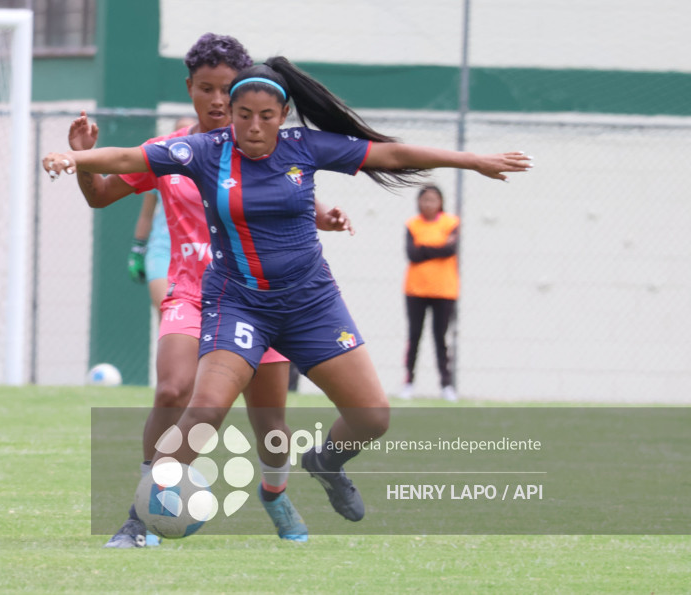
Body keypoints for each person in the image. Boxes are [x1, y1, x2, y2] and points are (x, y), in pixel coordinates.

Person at [44, 56, 532, 525]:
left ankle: (324, 462)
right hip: (239, 303)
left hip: (310, 304)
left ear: (283, 117)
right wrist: (75, 156)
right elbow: (128, 157)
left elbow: (395, 154)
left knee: (373, 417)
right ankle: (138, 519)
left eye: (265, 117)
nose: (253, 127)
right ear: (231, 115)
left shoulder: (305, 146)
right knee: (206, 408)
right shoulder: (204, 152)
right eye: (243, 115)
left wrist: (473, 161)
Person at [65, 35, 352, 547]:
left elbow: (289, 201)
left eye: (226, 90)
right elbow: (102, 196)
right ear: (190, 89)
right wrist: (85, 161)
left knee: (271, 424)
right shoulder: (173, 151)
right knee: (174, 390)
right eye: (206, 89)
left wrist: (322, 215)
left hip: (263, 300)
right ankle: (142, 514)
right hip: (193, 294)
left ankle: (273, 491)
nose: (218, 101)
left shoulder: (264, 148)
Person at [127, 117, 196, 316]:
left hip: (196, 252)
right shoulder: (162, 168)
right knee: (168, 311)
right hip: (163, 250)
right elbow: (146, 215)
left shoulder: (207, 165)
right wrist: (137, 249)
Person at [400, 184, 459, 402]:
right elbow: (412, 254)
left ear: (440, 202)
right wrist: (436, 248)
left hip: (444, 290)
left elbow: (450, 249)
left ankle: (446, 385)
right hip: (415, 289)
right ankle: (408, 383)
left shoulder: (451, 223)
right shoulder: (412, 225)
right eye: (425, 200)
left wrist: (424, 248)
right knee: (414, 336)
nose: (428, 204)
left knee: (440, 338)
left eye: (433, 200)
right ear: (419, 202)